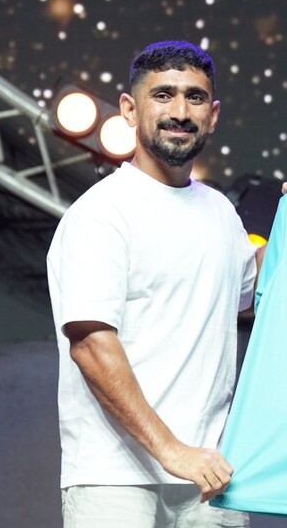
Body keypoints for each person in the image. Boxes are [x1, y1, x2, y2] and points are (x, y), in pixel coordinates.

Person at [47, 40, 257, 528]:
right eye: (162, 95)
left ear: (213, 114)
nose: (180, 111)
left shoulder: (221, 213)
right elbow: (91, 346)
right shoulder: (101, 214)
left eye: (195, 98)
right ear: (128, 108)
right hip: (114, 480)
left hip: (210, 475)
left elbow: (256, 291)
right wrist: (172, 451)